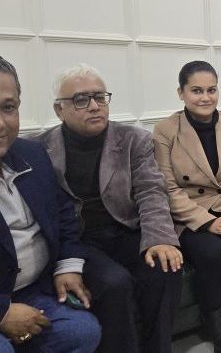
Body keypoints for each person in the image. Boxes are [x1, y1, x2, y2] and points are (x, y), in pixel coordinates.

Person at [27, 64, 182, 353]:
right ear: (59, 110)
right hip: (79, 241)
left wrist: (159, 238)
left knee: (165, 269)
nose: (94, 106)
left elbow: (151, 191)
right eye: (81, 100)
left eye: (100, 97)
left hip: (125, 230)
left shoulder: (133, 139)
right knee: (114, 283)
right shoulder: (38, 149)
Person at [153, 61, 221, 353]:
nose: (205, 97)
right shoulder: (165, 131)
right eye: (196, 91)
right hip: (193, 211)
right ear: (181, 93)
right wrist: (210, 223)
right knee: (211, 254)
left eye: (211, 90)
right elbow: (168, 188)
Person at [0, 56, 101, 353]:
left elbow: (63, 215)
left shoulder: (32, 154)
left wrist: (67, 267)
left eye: (8, 108)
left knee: (82, 332)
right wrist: (3, 312)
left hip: (34, 288)